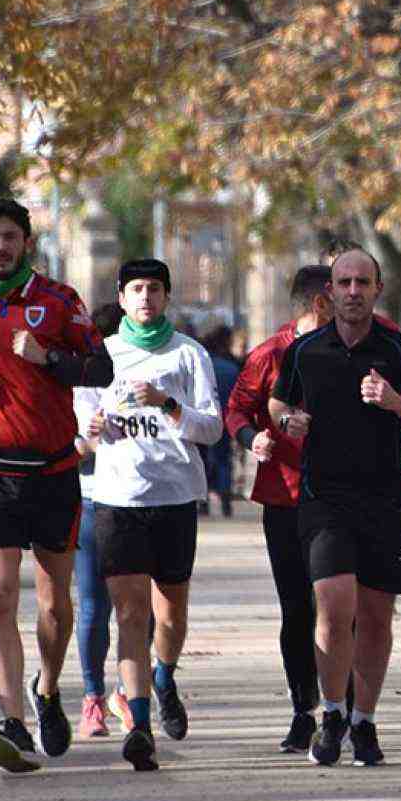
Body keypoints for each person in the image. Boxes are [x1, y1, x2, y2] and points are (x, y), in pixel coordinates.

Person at [0, 197, 113, 772]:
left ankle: (46, 689)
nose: (1, 247)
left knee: (55, 606)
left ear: (26, 243)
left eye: (10, 237)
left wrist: (49, 358)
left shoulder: (60, 301)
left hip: (54, 471)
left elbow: (100, 369)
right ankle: (13, 721)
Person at [268, 248, 401, 767]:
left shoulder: (400, 350)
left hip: (384, 501)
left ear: (377, 288)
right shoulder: (306, 351)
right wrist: (286, 423)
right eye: (343, 282)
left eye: (361, 282)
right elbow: (279, 402)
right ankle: (331, 714)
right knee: (333, 604)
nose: (352, 291)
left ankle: (364, 721)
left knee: (375, 617)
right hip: (324, 498)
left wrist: (397, 403)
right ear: (329, 292)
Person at [81, 259, 222, 770]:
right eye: (136, 289)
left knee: (170, 614)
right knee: (131, 614)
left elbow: (212, 429)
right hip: (119, 498)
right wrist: (94, 427)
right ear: (121, 298)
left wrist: (168, 404)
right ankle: (138, 724)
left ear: (166, 297)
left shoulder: (189, 355)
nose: (145, 298)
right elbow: (82, 429)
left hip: (176, 497)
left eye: (154, 289)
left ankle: (164, 675)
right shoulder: (101, 356)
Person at [225, 264, 330, 754]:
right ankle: (302, 710)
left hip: (340, 497)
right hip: (284, 496)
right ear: (319, 304)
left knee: (337, 605)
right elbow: (237, 409)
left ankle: (341, 707)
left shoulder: (359, 348)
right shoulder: (270, 353)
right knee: (297, 608)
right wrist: (254, 438)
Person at [72, 302, 126, 741]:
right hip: (92, 498)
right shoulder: (83, 380)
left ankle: (129, 688)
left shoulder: (154, 370)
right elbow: (73, 446)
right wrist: (90, 436)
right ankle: (92, 695)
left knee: (138, 607)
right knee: (94, 604)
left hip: (139, 501)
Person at [200, 324, 241, 517]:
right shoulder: (231, 368)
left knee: (204, 459)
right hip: (226, 418)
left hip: (204, 418)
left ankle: (204, 502)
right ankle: (226, 501)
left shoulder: (203, 365)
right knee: (224, 459)